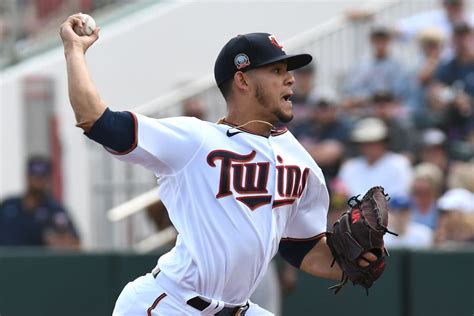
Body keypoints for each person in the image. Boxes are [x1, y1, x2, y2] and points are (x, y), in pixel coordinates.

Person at [60, 14, 380, 316]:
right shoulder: (194, 140)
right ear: (242, 79)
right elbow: (96, 120)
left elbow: (304, 248)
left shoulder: (301, 163)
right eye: (277, 71)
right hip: (169, 304)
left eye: (288, 71)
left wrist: (360, 260)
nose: (291, 80)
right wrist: (74, 50)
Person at [0, 156, 80, 248]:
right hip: (7, 261)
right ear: (27, 176)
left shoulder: (55, 210)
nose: (38, 180)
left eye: (42, 176)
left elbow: (75, 244)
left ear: (48, 179)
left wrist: (58, 242)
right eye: (34, 175)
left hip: (39, 262)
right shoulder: (8, 205)